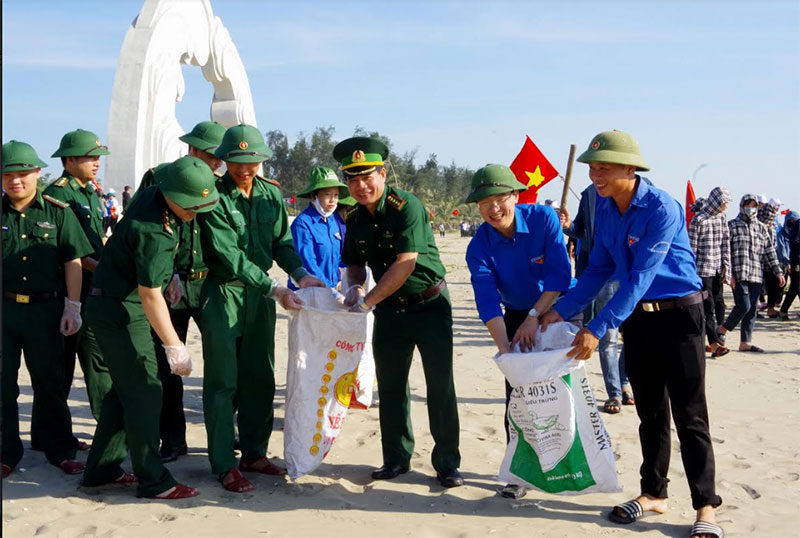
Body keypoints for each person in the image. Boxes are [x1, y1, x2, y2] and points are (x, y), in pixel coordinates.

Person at [540, 130, 724, 538]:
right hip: (638, 320)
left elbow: (640, 278)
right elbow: (599, 271)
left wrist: (595, 327)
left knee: (690, 415)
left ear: (631, 168)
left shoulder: (662, 208)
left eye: (603, 168)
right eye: (591, 169)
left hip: (681, 317)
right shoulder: (603, 209)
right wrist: (560, 310)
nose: (595, 176)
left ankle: (705, 506)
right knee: (650, 412)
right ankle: (653, 494)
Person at [81, 156, 218, 499]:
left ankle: (101, 469)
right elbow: (150, 296)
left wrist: (167, 272)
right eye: (189, 206)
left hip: (118, 299)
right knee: (145, 388)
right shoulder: (153, 229)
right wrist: (175, 346)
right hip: (119, 308)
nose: (195, 212)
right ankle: (153, 479)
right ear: (171, 194)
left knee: (124, 391)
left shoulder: (154, 193)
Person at [197, 124, 324, 493]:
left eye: (251, 162)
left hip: (263, 298)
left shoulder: (270, 195)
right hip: (224, 293)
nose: (244, 169)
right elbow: (229, 255)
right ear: (224, 160)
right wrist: (276, 288)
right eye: (236, 161)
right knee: (222, 382)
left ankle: (254, 452)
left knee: (260, 377)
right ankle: (223, 462)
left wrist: (300, 274)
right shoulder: (213, 197)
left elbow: (281, 243)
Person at [337, 136, 463, 488]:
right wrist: (355, 286)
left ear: (383, 172)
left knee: (440, 387)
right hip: (390, 311)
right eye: (353, 179)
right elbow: (355, 264)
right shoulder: (355, 218)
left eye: (367, 177)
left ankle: (447, 463)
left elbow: (404, 265)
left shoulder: (406, 205)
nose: (361, 187)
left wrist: (367, 302)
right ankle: (395, 458)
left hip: (430, 306)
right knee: (391, 387)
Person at [464, 163, 571, 499]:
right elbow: (487, 301)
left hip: (556, 310)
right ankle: (519, 472)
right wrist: (506, 351)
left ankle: (568, 463)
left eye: (500, 198)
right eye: (484, 203)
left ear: (515, 195)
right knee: (518, 396)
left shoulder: (543, 218)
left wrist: (536, 315)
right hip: (514, 316)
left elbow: (560, 275)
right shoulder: (478, 246)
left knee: (559, 393)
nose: (494, 208)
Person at [1, 141, 93, 479]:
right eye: (8, 175)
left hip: (46, 311)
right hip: (5, 311)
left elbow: (72, 259)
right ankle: (6, 452)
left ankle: (60, 451)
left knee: (50, 384)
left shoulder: (57, 211)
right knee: (3, 386)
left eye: (23, 174)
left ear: (37, 173)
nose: (16, 181)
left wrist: (73, 306)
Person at [137, 120, 226, 463]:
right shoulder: (159, 176)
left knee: (222, 358)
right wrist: (167, 270)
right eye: (210, 155)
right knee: (167, 364)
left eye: (219, 158)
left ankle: (221, 430)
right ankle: (173, 439)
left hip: (208, 283)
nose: (215, 163)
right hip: (169, 285)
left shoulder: (224, 183)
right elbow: (144, 224)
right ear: (193, 149)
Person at [40, 128, 112, 450]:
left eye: (98, 158)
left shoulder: (88, 193)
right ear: (69, 160)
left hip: (91, 290)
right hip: (69, 293)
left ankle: (105, 428)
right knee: (62, 369)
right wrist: (106, 272)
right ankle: (52, 436)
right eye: (90, 157)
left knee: (94, 363)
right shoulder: (61, 195)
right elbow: (73, 252)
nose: (96, 163)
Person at [560, 185, 635, 412]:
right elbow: (579, 229)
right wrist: (567, 226)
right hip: (596, 273)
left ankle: (623, 383)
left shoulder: (635, 193)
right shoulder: (589, 195)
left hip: (626, 274)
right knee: (609, 340)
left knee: (629, 335)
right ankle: (614, 392)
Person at [718, 194, 785, 352]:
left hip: (756, 274)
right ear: (742, 206)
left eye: (753, 206)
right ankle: (722, 329)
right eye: (747, 205)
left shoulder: (761, 227)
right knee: (743, 306)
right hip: (739, 273)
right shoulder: (732, 225)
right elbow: (725, 251)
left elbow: (769, 252)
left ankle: (745, 342)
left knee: (752, 309)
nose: (750, 209)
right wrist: (728, 273)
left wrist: (778, 272)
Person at [688, 186, 732, 357]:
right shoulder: (698, 219)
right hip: (702, 270)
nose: (726, 206)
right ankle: (714, 343)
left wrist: (726, 267)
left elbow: (725, 243)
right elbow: (692, 248)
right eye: (724, 202)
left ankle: (715, 341)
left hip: (717, 269)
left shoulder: (722, 218)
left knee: (718, 304)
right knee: (708, 307)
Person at [289, 166, 349, 291]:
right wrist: (329, 288)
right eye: (327, 194)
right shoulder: (302, 224)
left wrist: (344, 276)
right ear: (313, 196)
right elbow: (308, 263)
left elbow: (337, 257)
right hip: (309, 291)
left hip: (331, 289)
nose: (333, 200)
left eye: (336, 195)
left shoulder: (332, 220)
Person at [758, 198, 783, 318]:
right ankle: (766, 309)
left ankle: (770, 308)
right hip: (762, 263)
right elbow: (769, 248)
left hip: (769, 263)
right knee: (759, 287)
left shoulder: (771, 226)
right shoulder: (761, 226)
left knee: (773, 286)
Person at [778, 210, 800, 318]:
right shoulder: (797, 225)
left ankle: (783, 311)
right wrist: (788, 263)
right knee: (796, 286)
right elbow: (794, 243)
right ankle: (783, 311)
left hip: (794, 260)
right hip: (795, 261)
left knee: (795, 287)